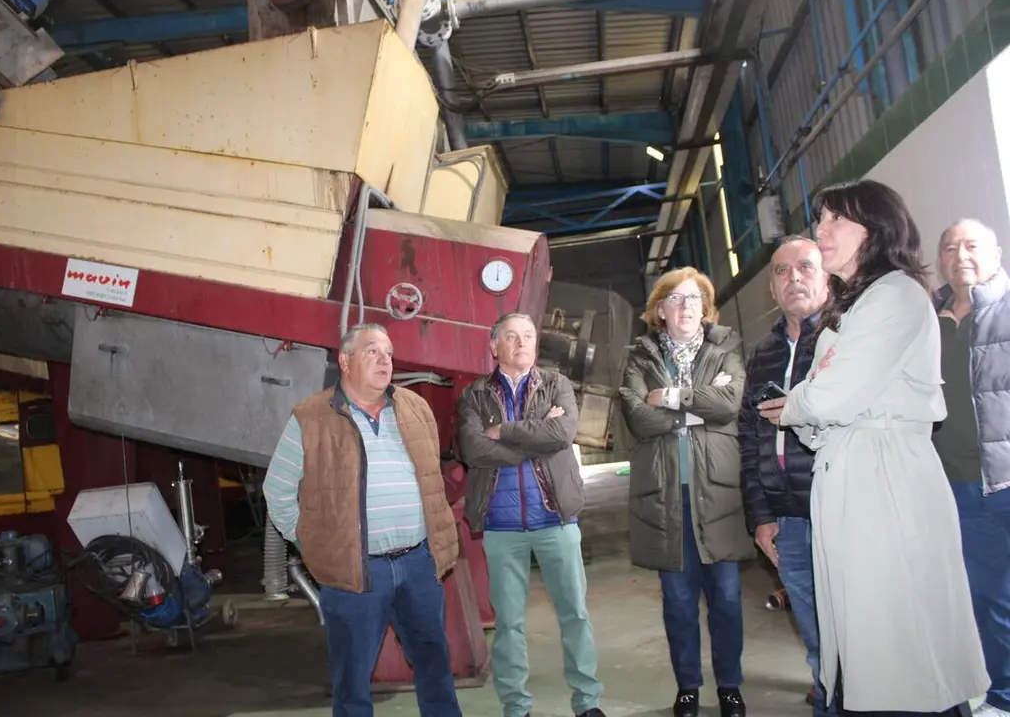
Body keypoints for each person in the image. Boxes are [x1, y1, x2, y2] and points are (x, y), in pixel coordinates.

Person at [757, 180, 986, 716]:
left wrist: (800, 407)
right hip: (853, 470)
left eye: (836, 220)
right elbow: (822, 400)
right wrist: (804, 407)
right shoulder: (852, 306)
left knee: (902, 639)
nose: (821, 231)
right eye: (820, 220)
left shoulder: (897, 295)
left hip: (886, 480)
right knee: (872, 638)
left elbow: (829, 393)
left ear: (875, 230)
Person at [263, 323, 462, 717]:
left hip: (418, 564)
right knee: (352, 682)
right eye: (372, 351)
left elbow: (430, 480)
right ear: (345, 361)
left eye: (388, 352)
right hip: (354, 573)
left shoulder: (414, 407)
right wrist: (310, 546)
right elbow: (278, 491)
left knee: (435, 666)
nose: (384, 359)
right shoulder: (311, 417)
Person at [618, 267, 752, 717]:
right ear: (660, 310)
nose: (686, 307)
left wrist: (672, 397)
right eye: (676, 299)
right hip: (665, 497)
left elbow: (731, 403)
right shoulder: (639, 357)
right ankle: (688, 687)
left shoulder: (726, 347)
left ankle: (730, 686)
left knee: (728, 599)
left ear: (706, 306)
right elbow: (638, 417)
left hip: (718, 494)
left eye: (695, 298)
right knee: (678, 602)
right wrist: (700, 405)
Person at [456, 312, 605, 717]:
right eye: (511, 336)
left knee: (575, 613)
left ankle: (587, 702)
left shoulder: (556, 384)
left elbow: (561, 435)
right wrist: (536, 433)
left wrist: (503, 430)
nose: (521, 343)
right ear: (494, 347)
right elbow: (473, 450)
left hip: (556, 521)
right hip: (502, 528)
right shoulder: (474, 395)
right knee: (509, 625)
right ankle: (516, 707)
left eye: (528, 335)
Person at [738, 236, 833, 716]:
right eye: (781, 271)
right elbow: (750, 437)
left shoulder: (845, 339)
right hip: (790, 519)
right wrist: (761, 513)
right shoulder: (763, 354)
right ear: (772, 288)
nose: (794, 278)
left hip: (842, 511)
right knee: (815, 630)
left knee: (860, 629)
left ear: (826, 274)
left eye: (805, 267)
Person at [932, 218, 1010, 717]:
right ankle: (993, 690)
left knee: (997, 594)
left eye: (972, 244)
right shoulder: (930, 318)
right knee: (976, 594)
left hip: (1001, 477)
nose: (960, 254)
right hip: (952, 481)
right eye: (949, 247)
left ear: (997, 251)